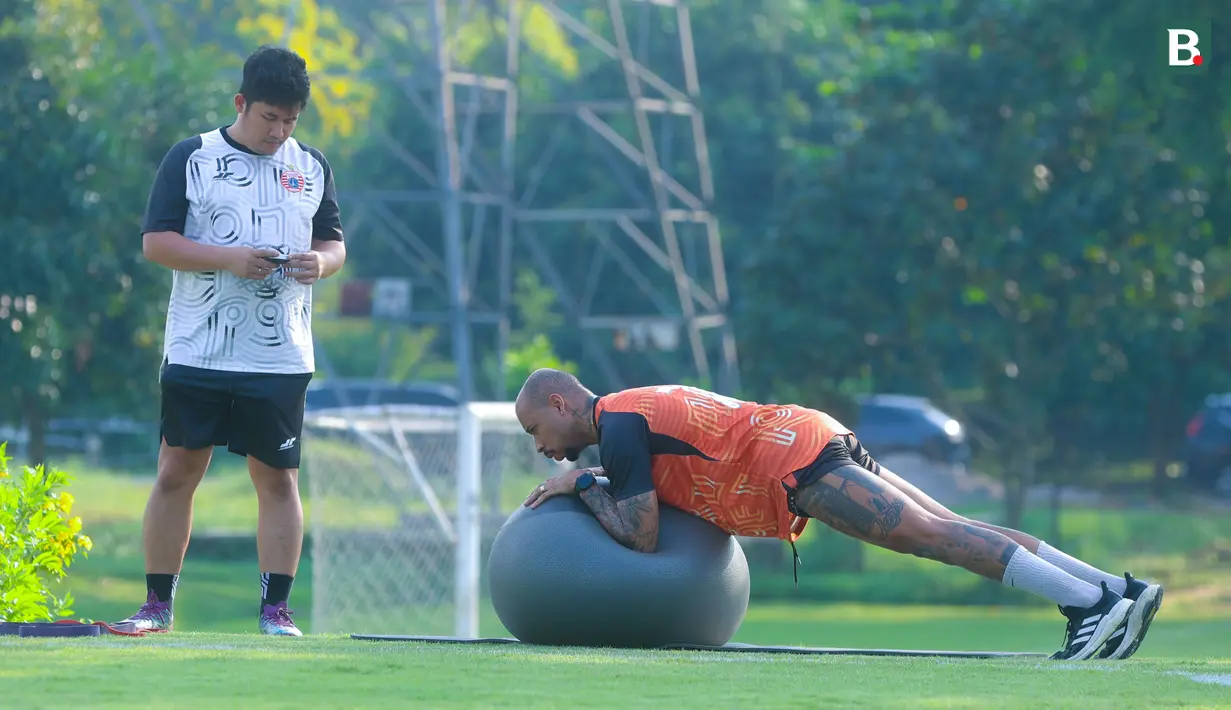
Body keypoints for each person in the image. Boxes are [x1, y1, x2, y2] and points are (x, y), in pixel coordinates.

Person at [515, 369, 1164, 661]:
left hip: (793, 459)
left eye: (533, 426)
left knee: (930, 537)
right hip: (808, 435)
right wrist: (590, 475)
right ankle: (1112, 591)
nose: (536, 444)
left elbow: (641, 535)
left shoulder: (616, 424)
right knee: (952, 525)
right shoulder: (628, 414)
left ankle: (1086, 609)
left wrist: (577, 484)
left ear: (559, 401)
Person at [114, 45, 345, 636]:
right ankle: (156, 608)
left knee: (278, 478)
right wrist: (230, 260)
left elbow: (334, 244)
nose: (279, 131)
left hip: (280, 354)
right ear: (241, 103)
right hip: (198, 346)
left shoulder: (311, 165)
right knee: (176, 471)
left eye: (290, 121)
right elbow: (156, 243)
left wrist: (320, 264)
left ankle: (276, 612)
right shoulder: (191, 157)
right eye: (269, 117)